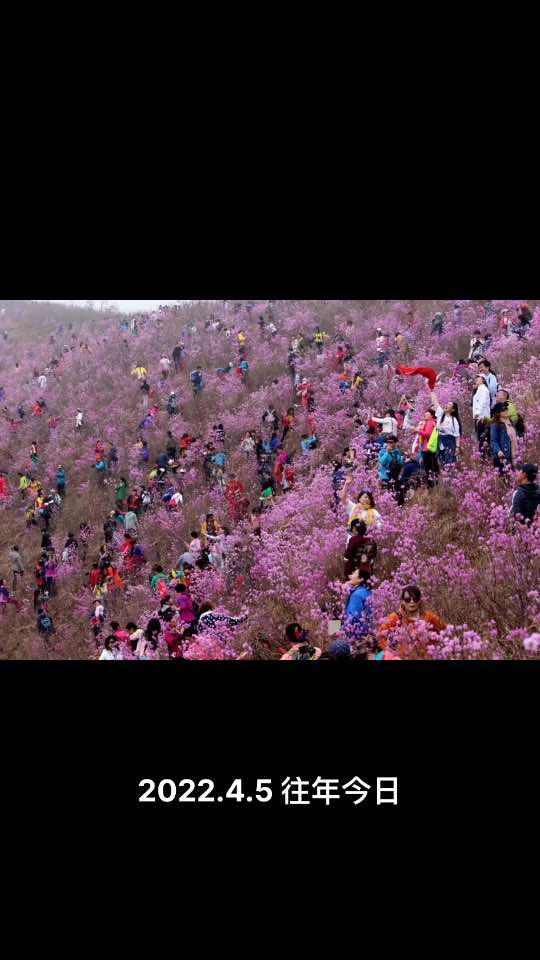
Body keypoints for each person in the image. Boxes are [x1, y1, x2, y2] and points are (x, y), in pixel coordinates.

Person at [378, 586, 446, 659]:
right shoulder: (395, 617)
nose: (412, 602)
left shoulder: (429, 617)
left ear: (419, 601)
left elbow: (445, 630)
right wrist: (391, 653)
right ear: (402, 601)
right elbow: (381, 636)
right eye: (408, 599)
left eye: (415, 599)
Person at [431, 390, 462, 466]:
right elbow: (435, 402)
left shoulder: (454, 420)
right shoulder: (441, 414)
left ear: (453, 409)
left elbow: (457, 435)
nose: (447, 405)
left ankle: (450, 476)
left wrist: (457, 447)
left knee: (449, 462)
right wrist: (431, 389)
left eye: (449, 404)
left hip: (450, 441)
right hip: (440, 439)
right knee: (442, 461)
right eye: (447, 404)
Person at [342, 568, 373, 644]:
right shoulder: (367, 592)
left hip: (357, 635)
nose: (350, 576)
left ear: (361, 579)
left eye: (354, 574)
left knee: (331, 627)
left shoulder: (356, 595)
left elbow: (353, 618)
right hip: (368, 631)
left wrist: (339, 631)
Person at [413, 409, 439, 488]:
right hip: (432, 448)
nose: (425, 415)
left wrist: (418, 431)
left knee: (428, 467)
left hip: (427, 448)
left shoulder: (430, 422)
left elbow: (428, 434)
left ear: (431, 415)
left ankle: (431, 485)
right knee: (433, 466)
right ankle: (435, 483)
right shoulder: (434, 422)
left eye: (427, 414)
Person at [490, 403, 518, 474]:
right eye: (503, 409)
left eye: (506, 409)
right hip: (502, 456)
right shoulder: (495, 425)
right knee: (504, 479)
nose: (506, 410)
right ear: (498, 413)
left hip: (513, 455)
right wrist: (498, 451)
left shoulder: (510, 424)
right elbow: (494, 441)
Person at [472, 374, 492, 455]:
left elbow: (483, 402)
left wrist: (478, 413)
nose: (476, 379)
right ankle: (483, 455)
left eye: (478, 377)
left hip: (482, 417)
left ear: (483, 379)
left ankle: (484, 456)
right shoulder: (479, 389)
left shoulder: (483, 389)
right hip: (480, 416)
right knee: (481, 438)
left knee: (483, 438)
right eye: (476, 377)